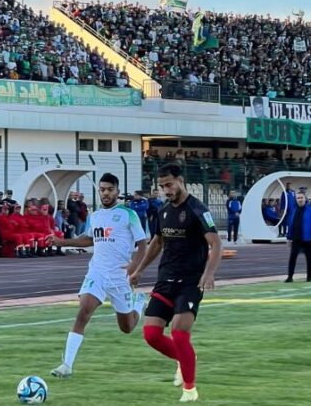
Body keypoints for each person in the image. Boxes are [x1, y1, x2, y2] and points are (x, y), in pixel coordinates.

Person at [129, 163, 222, 403]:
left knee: (179, 334)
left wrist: (209, 273)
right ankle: (185, 357)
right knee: (151, 334)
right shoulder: (163, 212)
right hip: (165, 280)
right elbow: (157, 243)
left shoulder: (198, 210)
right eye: (161, 187)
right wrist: (138, 270)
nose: (166, 190)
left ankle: (190, 390)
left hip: (191, 282)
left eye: (169, 185)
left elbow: (216, 244)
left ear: (181, 181)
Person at [49, 173, 148, 379]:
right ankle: (66, 365)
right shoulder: (95, 216)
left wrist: (135, 268)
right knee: (83, 311)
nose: (105, 193)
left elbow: (142, 244)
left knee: (127, 327)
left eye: (109, 189)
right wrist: (61, 242)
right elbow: (88, 240)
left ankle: (139, 303)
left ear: (117, 192)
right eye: (102, 189)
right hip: (97, 273)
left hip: (120, 277)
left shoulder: (128, 214)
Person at [284, 191, 311, 283]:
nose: (300, 199)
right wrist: (289, 238)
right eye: (298, 198)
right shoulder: (293, 210)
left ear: (305, 199)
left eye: (301, 198)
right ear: (296, 199)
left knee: (309, 259)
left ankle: (309, 277)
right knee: (292, 258)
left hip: (308, 239)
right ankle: (290, 277)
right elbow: (291, 225)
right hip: (296, 239)